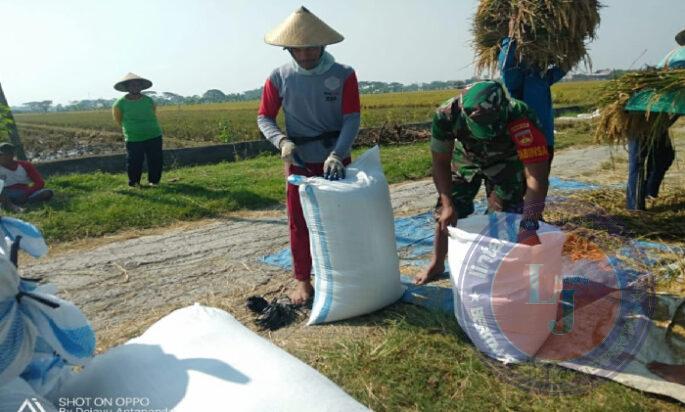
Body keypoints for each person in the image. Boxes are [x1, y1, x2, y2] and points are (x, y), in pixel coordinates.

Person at [257, 7, 361, 304]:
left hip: (335, 159)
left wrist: (338, 154)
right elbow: (265, 117)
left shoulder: (343, 75)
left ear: (323, 45)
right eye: (297, 50)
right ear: (288, 48)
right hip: (299, 161)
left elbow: (352, 118)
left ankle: (343, 276)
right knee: (298, 221)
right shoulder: (279, 77)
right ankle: (303, 281)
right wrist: (281, 142)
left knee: (340, 219)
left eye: (311, 48)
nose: (304, 56)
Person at [415, 80, 550, 285]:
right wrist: (447, 203)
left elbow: (536, 178)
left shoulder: (521, 116)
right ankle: (437, 263)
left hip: (507, 161)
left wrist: (529, 222)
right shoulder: (446, 115)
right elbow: (440, 163)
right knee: (447, 214)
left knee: (505, 218)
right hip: (467, 158)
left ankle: (499, 268)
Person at [626, 28, 685, 210]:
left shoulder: (674, 54)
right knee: (638, 161)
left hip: (657, 114)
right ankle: (635, 208)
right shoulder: (680, 58)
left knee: (663, 156)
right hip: (643, 114)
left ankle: (649, 193)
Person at [497, 18, 567, 169]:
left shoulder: (541, 76)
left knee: (540, 185)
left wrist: (571, 42)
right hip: (523, 142)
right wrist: (511, 36)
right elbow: (505, 64)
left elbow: (563, 67)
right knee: (524, 187)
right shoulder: (515, 77)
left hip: (545, 140)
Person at [112, 73, 164, 187]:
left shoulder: (149, 100)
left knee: (155, 159)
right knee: (134, 161)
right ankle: (134, 183)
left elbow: (153, 113)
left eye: (137, 85)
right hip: (134, 137)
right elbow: (118, 119)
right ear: (127, 87)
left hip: (154, 134)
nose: (135, 87)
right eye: (132, 85)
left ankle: (154, 182)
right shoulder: (119, 104)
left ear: (141, 87)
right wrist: (132, 128)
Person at [0, 142, 53, 210]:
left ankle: (21, 201)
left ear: (12, 155)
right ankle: (10, 203)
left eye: (3, 155)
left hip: (25, 191)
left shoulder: (25, 165)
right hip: (6, 193)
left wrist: (27, 192)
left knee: (47, 192)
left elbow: (40, 182)